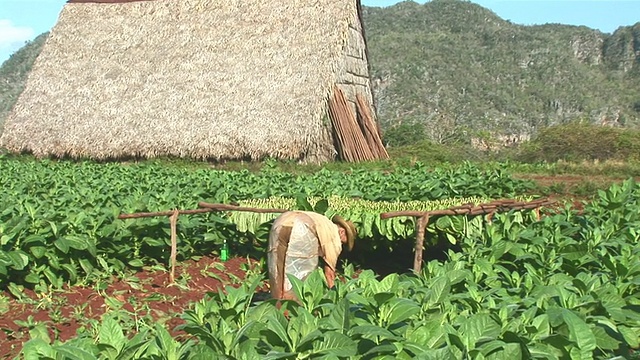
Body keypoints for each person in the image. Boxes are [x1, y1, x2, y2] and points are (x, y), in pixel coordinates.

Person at [267, 211, 356, 301]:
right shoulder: (334, 237)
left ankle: (277, 304)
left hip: (280, 221)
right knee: (301, 276)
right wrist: (335, 298)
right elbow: (329, 274)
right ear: (342, 232)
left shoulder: (323, 222)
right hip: (303, 228)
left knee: (277, 267)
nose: (341, 244)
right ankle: (292, 309)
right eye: (343, 242)